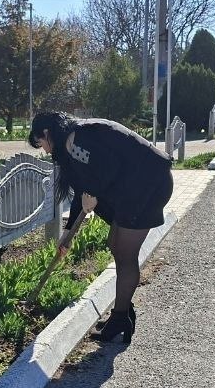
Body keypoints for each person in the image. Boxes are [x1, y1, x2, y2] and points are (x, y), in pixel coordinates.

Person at [28, 111, 173, 344]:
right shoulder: (71, 143)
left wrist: (93, 193)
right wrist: (67, 234)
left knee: (126, 255)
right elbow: (83, 189)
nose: (44, 150)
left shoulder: (78, 138)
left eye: (41, 143)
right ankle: (124, 309)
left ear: (46, 132)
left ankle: (120, 319)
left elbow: (110, 167)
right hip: (135, 188)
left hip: (148, 186)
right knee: (115, 245)